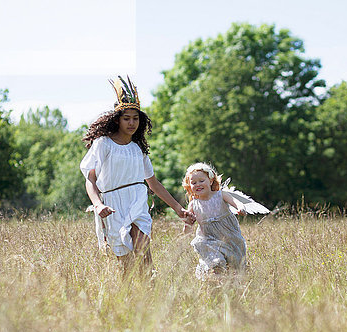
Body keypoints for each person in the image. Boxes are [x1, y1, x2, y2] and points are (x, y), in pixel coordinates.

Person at [80, 76, 194, 274]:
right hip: (112, 204)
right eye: (127, 118)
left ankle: (150, 289)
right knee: (125, 265)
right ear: (117, 120)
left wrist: (178, 209)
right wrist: (98, 205)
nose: (132, 123)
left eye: (135, 118)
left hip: (137, 200)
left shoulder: (137, 149)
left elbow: (153, 184)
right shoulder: (104, 143)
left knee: (143, 248)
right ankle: (130, 299)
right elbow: (90, 179)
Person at [182, 162, 249, 279]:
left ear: (211, 181)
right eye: (193, 183)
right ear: (189, 186)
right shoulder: (193, 204)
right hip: (208, 240)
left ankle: (231, 287)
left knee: (235, 268)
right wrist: (187, 224)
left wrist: (240, 208)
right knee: (216, 263)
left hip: (230, 237)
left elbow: (235, 202)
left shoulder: (221, 195)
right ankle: (215, 285)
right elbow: (187, 226)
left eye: (201, 181)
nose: (198, 184)